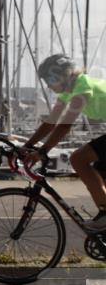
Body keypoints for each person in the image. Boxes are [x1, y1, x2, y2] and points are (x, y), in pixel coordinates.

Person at [22, 54, 106, 231]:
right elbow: (51, 122)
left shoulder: (83, 87)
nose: (48, 85)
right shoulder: (70, 91)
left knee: (78, 159)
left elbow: (64, 126)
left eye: (49, 79)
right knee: (98, 174)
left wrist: (42, 151)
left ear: (62, 75)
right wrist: (27, 146)